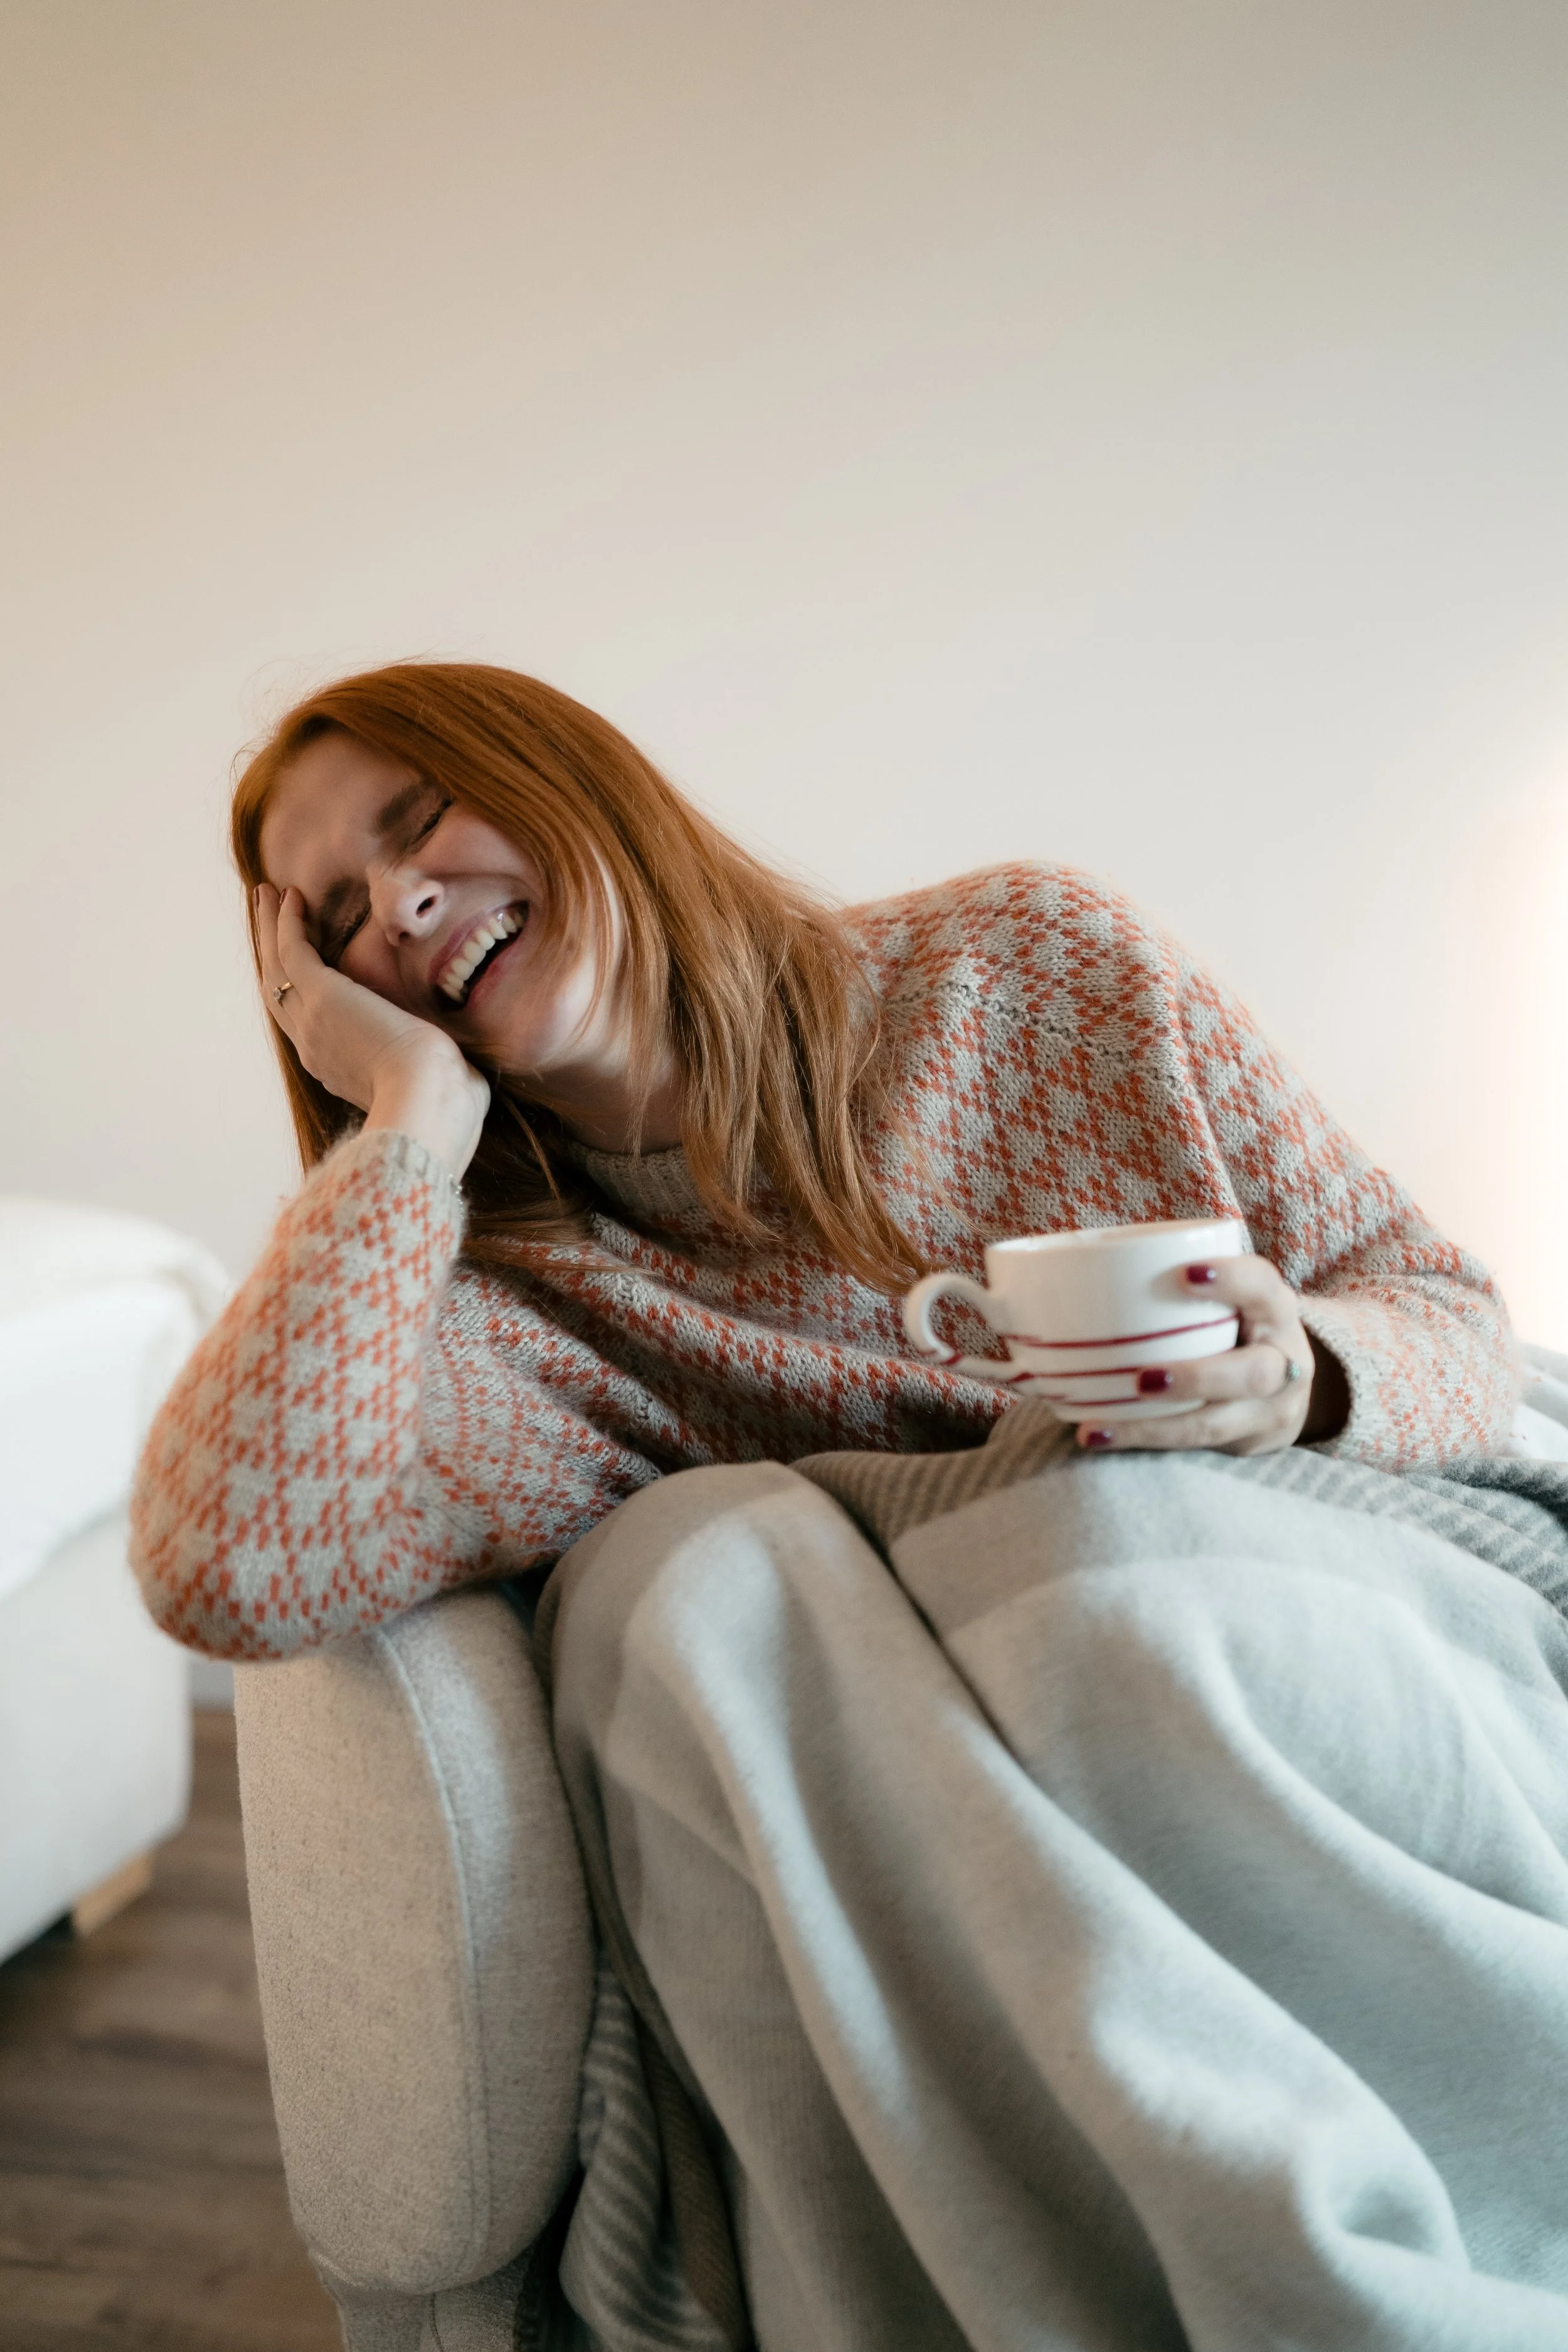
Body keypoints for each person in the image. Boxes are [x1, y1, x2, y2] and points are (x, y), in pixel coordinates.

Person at [131, 662, 1568, 2348]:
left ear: (569, 770)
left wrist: (1306, 1366)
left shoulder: (1029, 965)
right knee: (685, 1587)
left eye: (419, 817)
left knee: (1084, 1543)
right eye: (344, 916)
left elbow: (1443, 1312)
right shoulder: (519, 1314)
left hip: (1317, 1584)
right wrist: (402, 1133)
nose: (409, 902)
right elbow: (224, 1559)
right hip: (990, 1751)